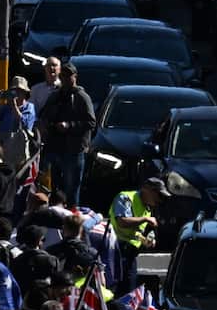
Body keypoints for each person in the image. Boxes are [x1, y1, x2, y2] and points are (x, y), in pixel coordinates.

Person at [39, 63, 96, 206]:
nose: (65, 78)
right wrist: (45, 124)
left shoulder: (82, 97)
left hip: (74, 150)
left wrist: (69, 126)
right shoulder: (55, 96)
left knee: (72, 188)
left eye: (68, 75)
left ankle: (71, 216)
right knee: (55, 188)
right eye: (63, 75)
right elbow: (44, 114)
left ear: (75, 77)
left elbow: (91, 122)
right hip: (55, 147)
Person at [107, 178, 165, 293]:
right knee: (114, 286)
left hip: (131, 252)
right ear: (146, 190)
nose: (160, 199)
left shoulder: (147, 209)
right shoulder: (126, 197)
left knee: (130, 290)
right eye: (158, 194)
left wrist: (145, 241)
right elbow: (122, 222)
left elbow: (134, 232)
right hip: (115, 248)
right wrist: (144, 219)